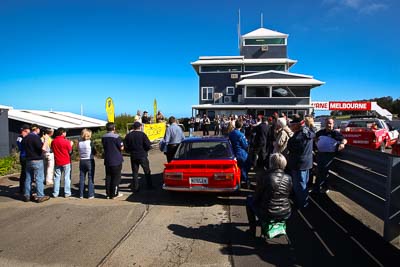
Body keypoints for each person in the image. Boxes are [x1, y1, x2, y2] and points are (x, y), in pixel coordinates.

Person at [246, 153, 293, 236]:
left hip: (268, 211)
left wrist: (253, 200)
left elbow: (257, 195)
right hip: (285, 211)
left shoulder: (265, 177)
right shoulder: (288, 178)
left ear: (271, 163)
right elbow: (288, 193)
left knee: (249, 201)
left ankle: (252, 230)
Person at [287, 115, 315, 208]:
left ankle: (302, 204)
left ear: (296, 125)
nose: (290, 126)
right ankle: (304, 201)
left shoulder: (298, 137)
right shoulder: (308, 132)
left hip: (298, 163)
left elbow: (291, 148)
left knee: (299, 185)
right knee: (304, 184)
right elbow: (313, 133)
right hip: (307, 162)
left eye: (292, 125)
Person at [313, 117, 347, 194]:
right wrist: (315, 140)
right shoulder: (321, 132)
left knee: (324, 171)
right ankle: (318, 187)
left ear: (333, 124)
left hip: (329, 155)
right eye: (327, 123)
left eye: (330, 123)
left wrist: (342, 144)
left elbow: (344, 139)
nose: (329, 125)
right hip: (320, 153)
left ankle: (323, 187)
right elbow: (314, 137)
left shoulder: (335, 133)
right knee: (319, 170)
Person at [21, 124, 50, 203]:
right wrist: (46, 140)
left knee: (28, 178)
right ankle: (40, 196)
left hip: (28, 160)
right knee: (39, 178)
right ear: (36, 129)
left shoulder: (25, 138)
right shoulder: (36, 138)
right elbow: (43, 149)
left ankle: (27, 195)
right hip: (37, 160)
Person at [124, 122, 153, 191]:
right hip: (142, 155)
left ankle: (136, 187)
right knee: (147, 171)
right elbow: (148, 145)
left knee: (135, 172)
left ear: (133, 127)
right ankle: (149, 185)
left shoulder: (129, 135)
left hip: (133, 155)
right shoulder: (143, 135)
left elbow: (125, 146)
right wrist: (146, 150)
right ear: (140, 127)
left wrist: (129, 151)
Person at [102, 122, 124, 199]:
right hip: (116, 159)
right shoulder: (116, 137)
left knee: (108, 177)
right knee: (116, 177)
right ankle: (114, 194)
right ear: (114, 128)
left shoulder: (103, 137)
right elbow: (121, 147)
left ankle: (108, 193)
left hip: (107, 159)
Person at [51, 128, 73, 198]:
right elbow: (70, 151)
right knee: (67, 177)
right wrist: (71, 145)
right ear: (62, 133)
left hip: (57, 161)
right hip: (66, 161)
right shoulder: (66, 141)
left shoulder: (53, 141)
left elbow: (52, 149)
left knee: (57, 177)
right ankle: (67, 192)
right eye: (65, 132)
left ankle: (55, 193)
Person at [229, 120, 250, 188]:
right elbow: (245, 145)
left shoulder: (231, 133)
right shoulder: (241, 134)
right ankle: (246, 182)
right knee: (244, 168)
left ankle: (238, 182)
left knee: (236, 169)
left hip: (233, 153)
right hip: (241, 153)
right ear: (241, 126)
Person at [77, 128, 96, 199]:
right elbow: (94, 152)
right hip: (89, 160)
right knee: (90, 178)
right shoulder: (91, 142)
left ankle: (81, 194)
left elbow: (78, 150)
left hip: (82, 160)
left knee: (82, 178)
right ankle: (90, 194)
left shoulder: (80, 142)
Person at [16, 124, 30, 197]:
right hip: (24, 156)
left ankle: (25, 188)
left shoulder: (23, 137)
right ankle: (22, 189)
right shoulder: (20, 138)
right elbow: (21, 147)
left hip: (26, 156)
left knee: (26, 173)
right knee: (24, 173)